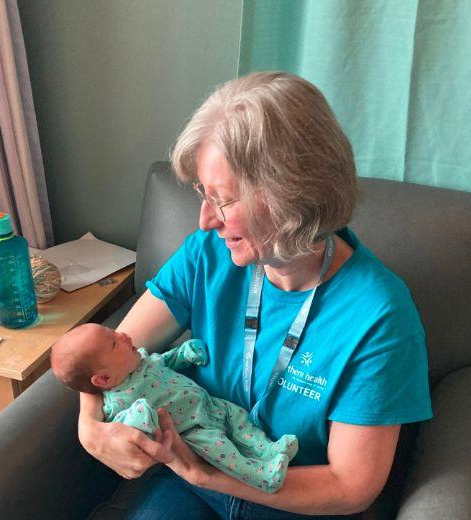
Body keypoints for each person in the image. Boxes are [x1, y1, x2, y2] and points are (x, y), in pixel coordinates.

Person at [78, 71, 433, 519]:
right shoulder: (208, 255)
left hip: (294, 501)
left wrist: (216, 475)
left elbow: (349, 486)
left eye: (222, 200)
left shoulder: (379, 317)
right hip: (190, 485)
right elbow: (109, 352)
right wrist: (89, 427)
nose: (206, 219)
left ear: (290, 196)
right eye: (202, 195)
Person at [50, 323, 298, 493]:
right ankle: (262, 476)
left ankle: (267, 449)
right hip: (194, 432)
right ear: (103, 379)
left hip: (210, 405)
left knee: (241, 420)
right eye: (114, 343)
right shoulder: (118, 402)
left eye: (114, 332)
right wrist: (137, 416)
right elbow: (130, 428)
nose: (124, 335)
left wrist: (185, 353)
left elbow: (167, 360)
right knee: (226, 453)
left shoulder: (142, 361)